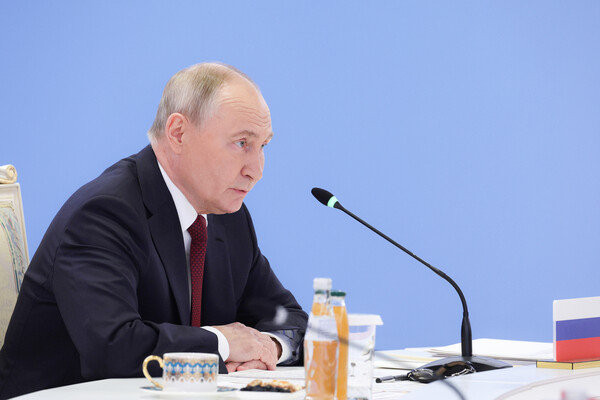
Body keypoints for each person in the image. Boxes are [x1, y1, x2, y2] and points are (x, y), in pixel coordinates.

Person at [0, 62, 307, 399]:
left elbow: (289, 318)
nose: (256, 170)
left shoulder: (228, 217)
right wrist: (224, 343)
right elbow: (114, 348)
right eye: (241, 143)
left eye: (263, 146)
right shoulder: (105, 213)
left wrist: (269, 348)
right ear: (178, 133)